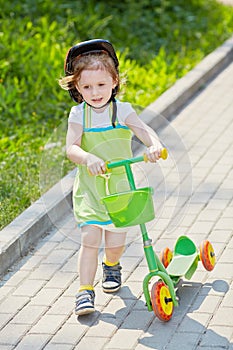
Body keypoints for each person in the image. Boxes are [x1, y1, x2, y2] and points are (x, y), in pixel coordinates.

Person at [59, 39, 163, 316]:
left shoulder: (123, 110)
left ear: (114, 81)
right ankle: (84, 291)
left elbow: (144, 130)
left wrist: (154, 145)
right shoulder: (79, 114)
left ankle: (112, 264)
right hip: (92, 189)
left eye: (101, 85)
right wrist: (87, 157)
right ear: (77, 88)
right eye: (87, 87)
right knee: (90, 238)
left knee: (115, 243)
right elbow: (71, 148)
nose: (95, 93)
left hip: (120, 187)